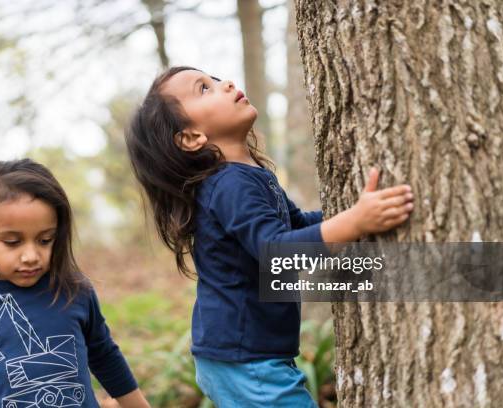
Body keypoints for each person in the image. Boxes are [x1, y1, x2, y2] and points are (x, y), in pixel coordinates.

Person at [125, 66, 414, 407]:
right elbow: (279, 254)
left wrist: (354, 213)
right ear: (191, 137)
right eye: (204, 89)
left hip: (247, 356)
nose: (226, 83)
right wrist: (356, 221)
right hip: (245, 360)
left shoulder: (250, 176)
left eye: (215, 79)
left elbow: (294, 226)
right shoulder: (229, 185)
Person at [0, 159, 150, 408]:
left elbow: (105, 356)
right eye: (12, 242)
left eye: (45, 240)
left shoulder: (75, 292)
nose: (31, 255)